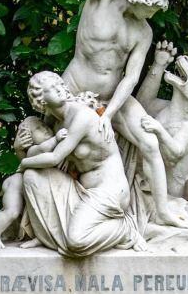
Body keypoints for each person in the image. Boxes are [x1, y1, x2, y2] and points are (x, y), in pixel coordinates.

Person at [61, 0, 186, 228]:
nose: (153, 15)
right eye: (151, 8)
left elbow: (130, 78)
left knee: (150, 143)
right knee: (66, 152)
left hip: (113, 99)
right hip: (75, 93)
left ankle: (163, 211)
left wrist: (110, 114)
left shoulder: (143, 31)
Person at [18, 71, 146, 257]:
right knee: (31, 177)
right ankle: (47, 236)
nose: (60, 89)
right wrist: (19, 151)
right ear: (42, 101)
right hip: (80, 191)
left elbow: (54, 158)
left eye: (59, 84)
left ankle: (126, 229)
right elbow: (37, 152)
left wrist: (24, 163)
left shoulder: (82, 116)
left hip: (108, 190)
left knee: (76, 241)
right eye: (51, 89)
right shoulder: (54, 123)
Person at [0, 117, 67, 249]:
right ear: (28, 138)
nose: (45, 129)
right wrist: (56, 139)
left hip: (36, 186)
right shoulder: (34, 150)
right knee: (12, 211)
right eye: (38, 129)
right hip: (17, 185)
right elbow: (43, 149)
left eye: (45, 126)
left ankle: (41, 236)